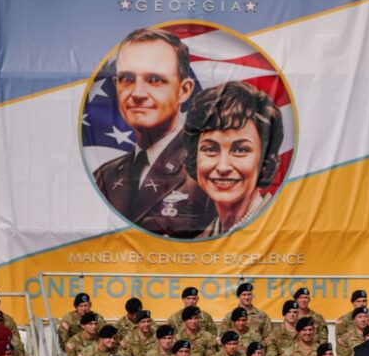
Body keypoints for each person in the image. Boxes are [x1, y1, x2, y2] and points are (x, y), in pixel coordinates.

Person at [94, 28, 212, 238]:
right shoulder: (104, 176)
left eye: (155, 80)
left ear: (184, 91)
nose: (138, 93)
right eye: (127, 79)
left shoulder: (210, 172)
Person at [182, 80, 284, 237]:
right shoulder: (198, 240)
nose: (223, 167)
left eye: (240, 150)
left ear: (265, 160)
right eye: (210, 149)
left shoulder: (287, 232)